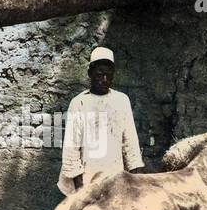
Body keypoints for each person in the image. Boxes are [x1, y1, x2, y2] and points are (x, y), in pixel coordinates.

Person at [57, 46, 144, 197]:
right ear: (90, 73)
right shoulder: (79, 103)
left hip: (115, 177)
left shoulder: (121, 100)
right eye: (99, 74)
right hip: (87, 178)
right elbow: (72, 149)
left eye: (108, 75)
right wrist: (80, 189)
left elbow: (130, 142)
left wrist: (134, 179)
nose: (104, 80)